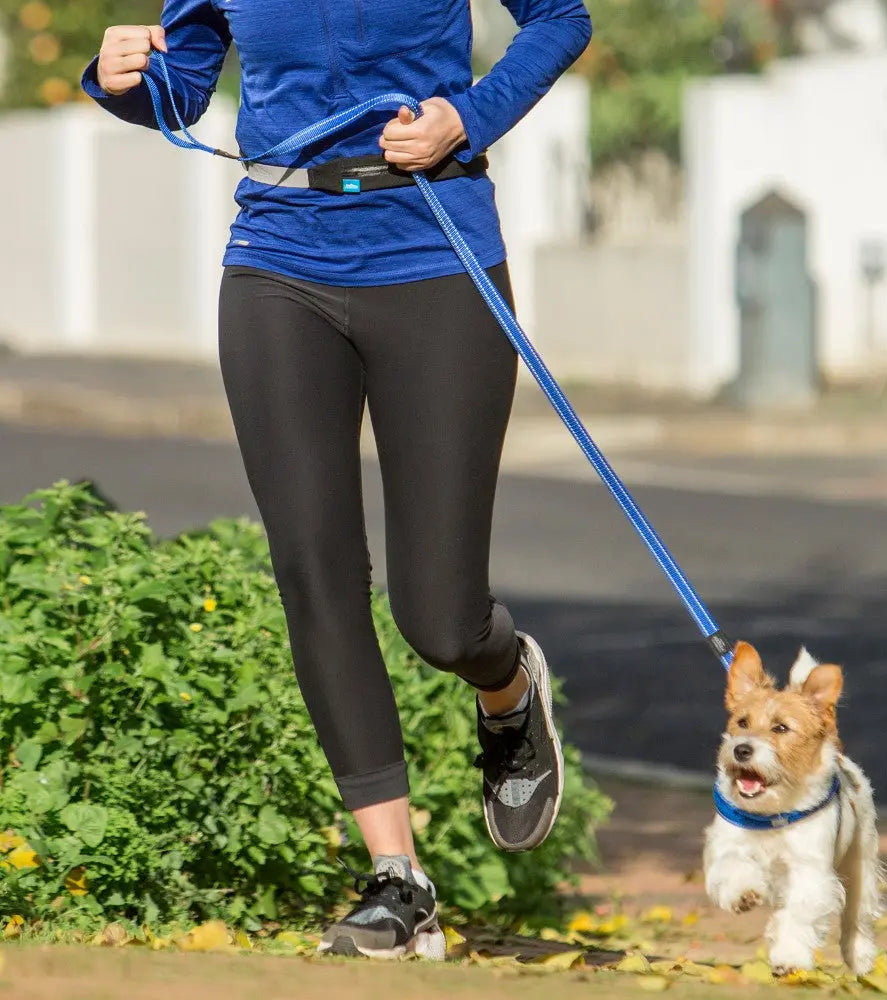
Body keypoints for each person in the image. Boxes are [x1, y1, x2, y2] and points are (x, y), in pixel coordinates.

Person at [83, 0, 591, 960]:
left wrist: (467, 117)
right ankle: (400, 884)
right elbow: (182, 86)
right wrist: (123, 80)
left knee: (438, 619)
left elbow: (560, 18)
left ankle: (506, 685)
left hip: (432, 252)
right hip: (277, 262)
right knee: (315, 576)